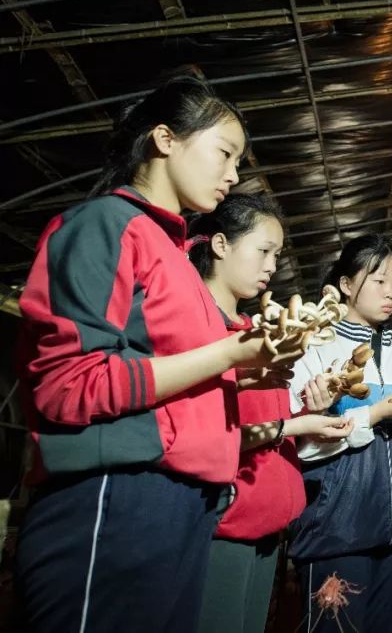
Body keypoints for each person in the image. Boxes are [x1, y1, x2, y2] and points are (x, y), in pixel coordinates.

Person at [15, 76, 301, 633]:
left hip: (186, 503)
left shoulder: (176, 259)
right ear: (165, 139)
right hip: (117, 495)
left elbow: (175, 386)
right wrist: (227, 352)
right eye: (224, 153)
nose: (234, 174)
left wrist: (248, 370)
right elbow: (68, 385)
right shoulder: (105, 224)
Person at [188, 193, 353, 633]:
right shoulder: (199, 331)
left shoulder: (252, 332)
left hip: (265, 520)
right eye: (263, 251)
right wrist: (295, 424)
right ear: (220, 245)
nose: (272, 266)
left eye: (277, 255)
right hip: (223, 523)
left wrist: (306, 409)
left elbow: (266, 420)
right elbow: (201, 432)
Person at [287, 234, 392, 633]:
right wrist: (376, 413)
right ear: (347, 285)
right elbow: (298, 446)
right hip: (334, 526)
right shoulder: (312, 349)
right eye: (379, 280)